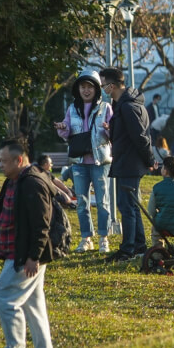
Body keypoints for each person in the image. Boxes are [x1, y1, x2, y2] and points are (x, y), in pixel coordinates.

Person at [0, 139, 54, 348]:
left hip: (25, 257)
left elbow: (42, 224)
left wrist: (34, 256)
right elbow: (3, 218)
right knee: (33, 304)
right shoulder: (13, 181)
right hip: (16, 253)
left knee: (3, 299)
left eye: (3, 161)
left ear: (18, 160)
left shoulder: (32, 183)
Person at [53, 69, 113, 253]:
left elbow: (114, 133)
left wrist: (109, 129)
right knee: (81, 201)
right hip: (79, 161)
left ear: (96, 89)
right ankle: (87, 238)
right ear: (78, 89)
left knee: (102, 202)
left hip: (100, 161)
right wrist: (63, 128)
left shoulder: (106, 108)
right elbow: (66, 133)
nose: (86, 90)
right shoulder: (72, 108)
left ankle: (104, 238)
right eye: (82, 87)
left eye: (90, 87)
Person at [99, 67, 155, 263]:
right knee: (132, 205)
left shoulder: (127, 107)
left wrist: (150, 160)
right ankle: (139, 246)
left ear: (111, 85)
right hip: (128, 161)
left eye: (102, 84)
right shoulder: (125, 104)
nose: (102, 88)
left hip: (130, 163)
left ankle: (127, 250)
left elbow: (140, 137)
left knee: (127, 206)